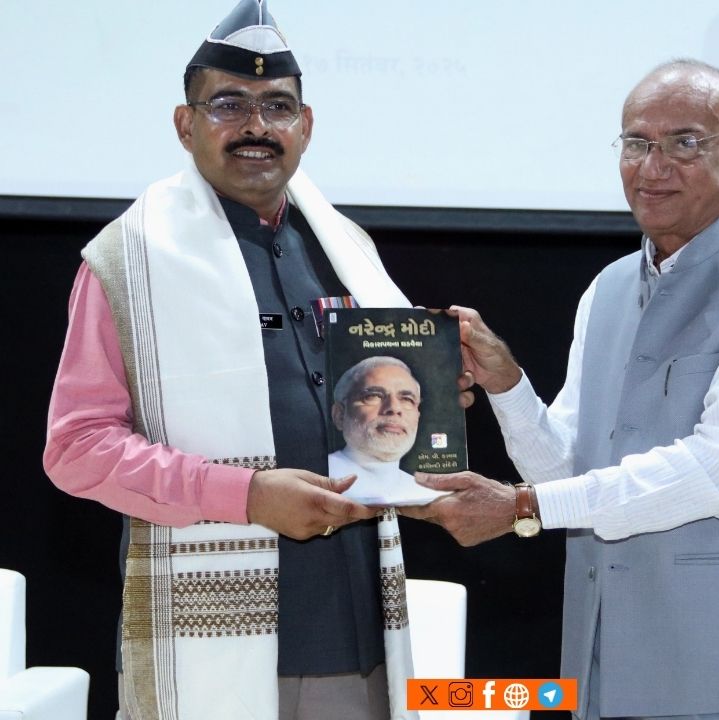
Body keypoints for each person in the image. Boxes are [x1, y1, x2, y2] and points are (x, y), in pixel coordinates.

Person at [411, 59, 719, 719]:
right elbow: (570, 472)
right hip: (607, 665)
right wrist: (507, 385)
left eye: (685, 142)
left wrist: (523, 505)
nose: (653, 166)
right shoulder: (607, 289)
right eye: (637, 143)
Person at [42, 2, 435, 717]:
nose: (257, 126)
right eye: (229, 104)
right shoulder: (127, 263)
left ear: (305, 126)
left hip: (360, 636)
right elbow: (77, 448)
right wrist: (245, 495)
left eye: (277, 106)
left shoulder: (346, 250)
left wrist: (438, 396)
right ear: (184, 124)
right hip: (211, 641)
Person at [328, 356, 446, 506]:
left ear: (418, 416)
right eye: (373, 396)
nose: (394, 408)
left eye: (407, 399)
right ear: (339, 415)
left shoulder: (429, 495)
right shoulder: (317, 480)